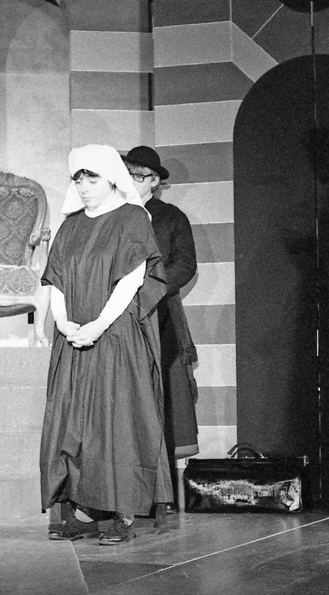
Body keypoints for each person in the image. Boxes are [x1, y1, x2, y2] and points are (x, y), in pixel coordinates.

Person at [41, 144, 173, 545]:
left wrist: (98, 325)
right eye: (78, 178)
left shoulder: (131, 218)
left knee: (117, 423)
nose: (83, 186)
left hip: (115, 334)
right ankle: (83, 513)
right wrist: (64, 322)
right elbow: (56, 279)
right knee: (76, 424)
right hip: (75, 336)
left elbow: (133, 279)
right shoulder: (70, 225)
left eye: (92, 177)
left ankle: (123, 515)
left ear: (111, 177)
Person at [121, 146, 199, 515]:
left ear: (154, 181)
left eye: (138, 175)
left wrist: (149, 288)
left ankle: (161, 495)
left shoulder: (171, 217)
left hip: (160, 315)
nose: (130, 180)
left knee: (160, 400)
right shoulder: (115, 214)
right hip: (117, 316)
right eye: (127, 173)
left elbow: (185, 263)